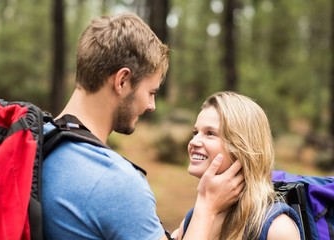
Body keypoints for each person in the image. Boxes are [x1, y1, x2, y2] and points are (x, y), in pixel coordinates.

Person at [42, 13, 245, 240]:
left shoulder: (37, 141)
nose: (151, 105)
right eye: (151, 92)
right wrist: (208, 205)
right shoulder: (115, 182)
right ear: (122, 81)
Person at [171, 91, 304, 240]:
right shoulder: (193, 219)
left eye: (210, 133)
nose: (193, 142)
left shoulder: (277, 229)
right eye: (195, 132)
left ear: (242, 147)